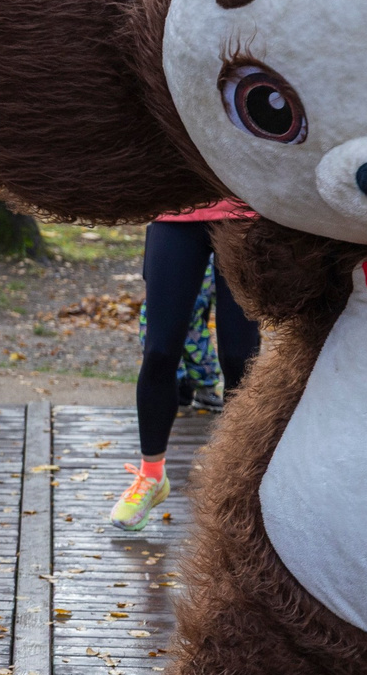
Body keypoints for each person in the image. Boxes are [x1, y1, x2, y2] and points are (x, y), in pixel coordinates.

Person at [109, 203, 260, 533]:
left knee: (239, 356)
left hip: (244, 215)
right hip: (176, 210)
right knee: (160, 351)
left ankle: (240, 482)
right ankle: (151, 476)